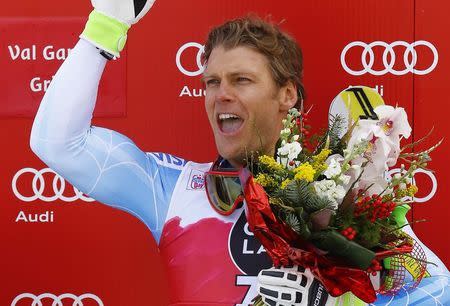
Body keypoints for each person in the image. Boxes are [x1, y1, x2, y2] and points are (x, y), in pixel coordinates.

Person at [30, 0, 449, 305]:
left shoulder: (342, 196)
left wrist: (374, 241)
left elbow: (435, 293)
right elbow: (59, 143)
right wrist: (104, 26)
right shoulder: (174, 189)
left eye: (241, 80)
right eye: (211, 82)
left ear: (287, 95)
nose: (221, 95)